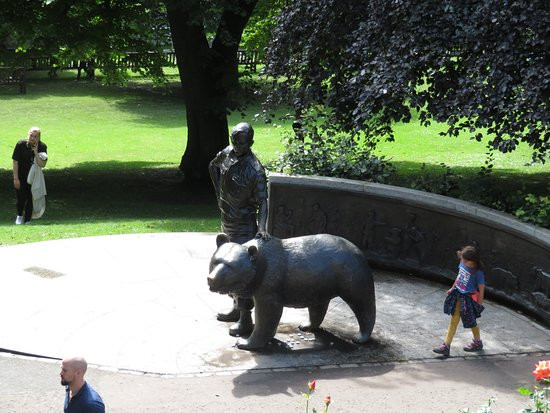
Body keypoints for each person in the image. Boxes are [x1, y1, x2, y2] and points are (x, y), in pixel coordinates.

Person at [209, 122, 268, 336]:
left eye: (241, 143)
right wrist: (219, 196)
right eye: (234, 140)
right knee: (226, 266)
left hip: (244, 228)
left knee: (241, 272)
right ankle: (235, 308)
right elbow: (212, 166)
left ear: (250, 142)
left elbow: (264, 202)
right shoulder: (227, 153)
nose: (236, 146)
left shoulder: (255, 170)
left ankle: (245, 320)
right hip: (227, 223)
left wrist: (261, 227)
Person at [433, 244, 486, 357]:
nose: (463, 262)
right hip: (458, 295)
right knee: (454, 320)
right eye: (463, 260)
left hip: (468, 299)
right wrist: (453, 287)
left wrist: (479, 305)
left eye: (466, 261)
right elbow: (459, 276)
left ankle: (477, 342)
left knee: (471, 322)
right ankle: (446, 346)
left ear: (473, 261)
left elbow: (481, 289)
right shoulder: (463, 262)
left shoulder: (478, 272)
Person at [12, 127, 47, 225]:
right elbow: (15, 161)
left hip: (34, 177)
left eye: (35, 136)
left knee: (31, 197)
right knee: (21, 197)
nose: (32, 138)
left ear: (39, 138)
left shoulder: (42, 146)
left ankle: (28, 219)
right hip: (21, 175)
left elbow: (42, 164)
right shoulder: (20, 144)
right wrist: (16, 178)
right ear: (28, 134)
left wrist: (36, 152)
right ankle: (19, 216)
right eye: (31, 135)